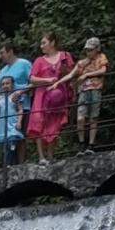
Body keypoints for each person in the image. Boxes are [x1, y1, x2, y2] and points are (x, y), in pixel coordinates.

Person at [25, 33, 76, 161]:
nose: (41, 46)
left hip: (58, 95)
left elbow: (74, 73)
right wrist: (48, 80)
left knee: (53, 124)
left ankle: (51, 156)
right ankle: (41, 157)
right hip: (41, 94)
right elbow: (32, 78)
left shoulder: (65, 55)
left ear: (52, 43)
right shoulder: (39, 60)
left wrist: (66, 72)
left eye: (44, 43)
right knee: (39, 122)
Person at [73, 38, 109, 149]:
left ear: (97, 49)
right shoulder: (82, 62)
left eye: (91, 50)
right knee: (80, 118)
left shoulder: (101, 57)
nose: (88, 52)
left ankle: (91, 144)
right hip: (83, 90)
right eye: (87, 50)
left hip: (96, 89)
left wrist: (87, 75)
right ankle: (82, 142)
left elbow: (103, 70)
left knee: (93, 118)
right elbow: (72, 74)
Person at [0, 74, 24, 165]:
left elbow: (20, 109)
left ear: (12, 84)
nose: (5, 86)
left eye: (7, 83)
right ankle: (9, 164)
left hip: (13, 123)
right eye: (3, 84)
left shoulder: (15, 96)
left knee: (11, 141)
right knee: (5, 147)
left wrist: (19, 121)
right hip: (3, 125)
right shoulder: (0, 99)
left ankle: (7, 164)